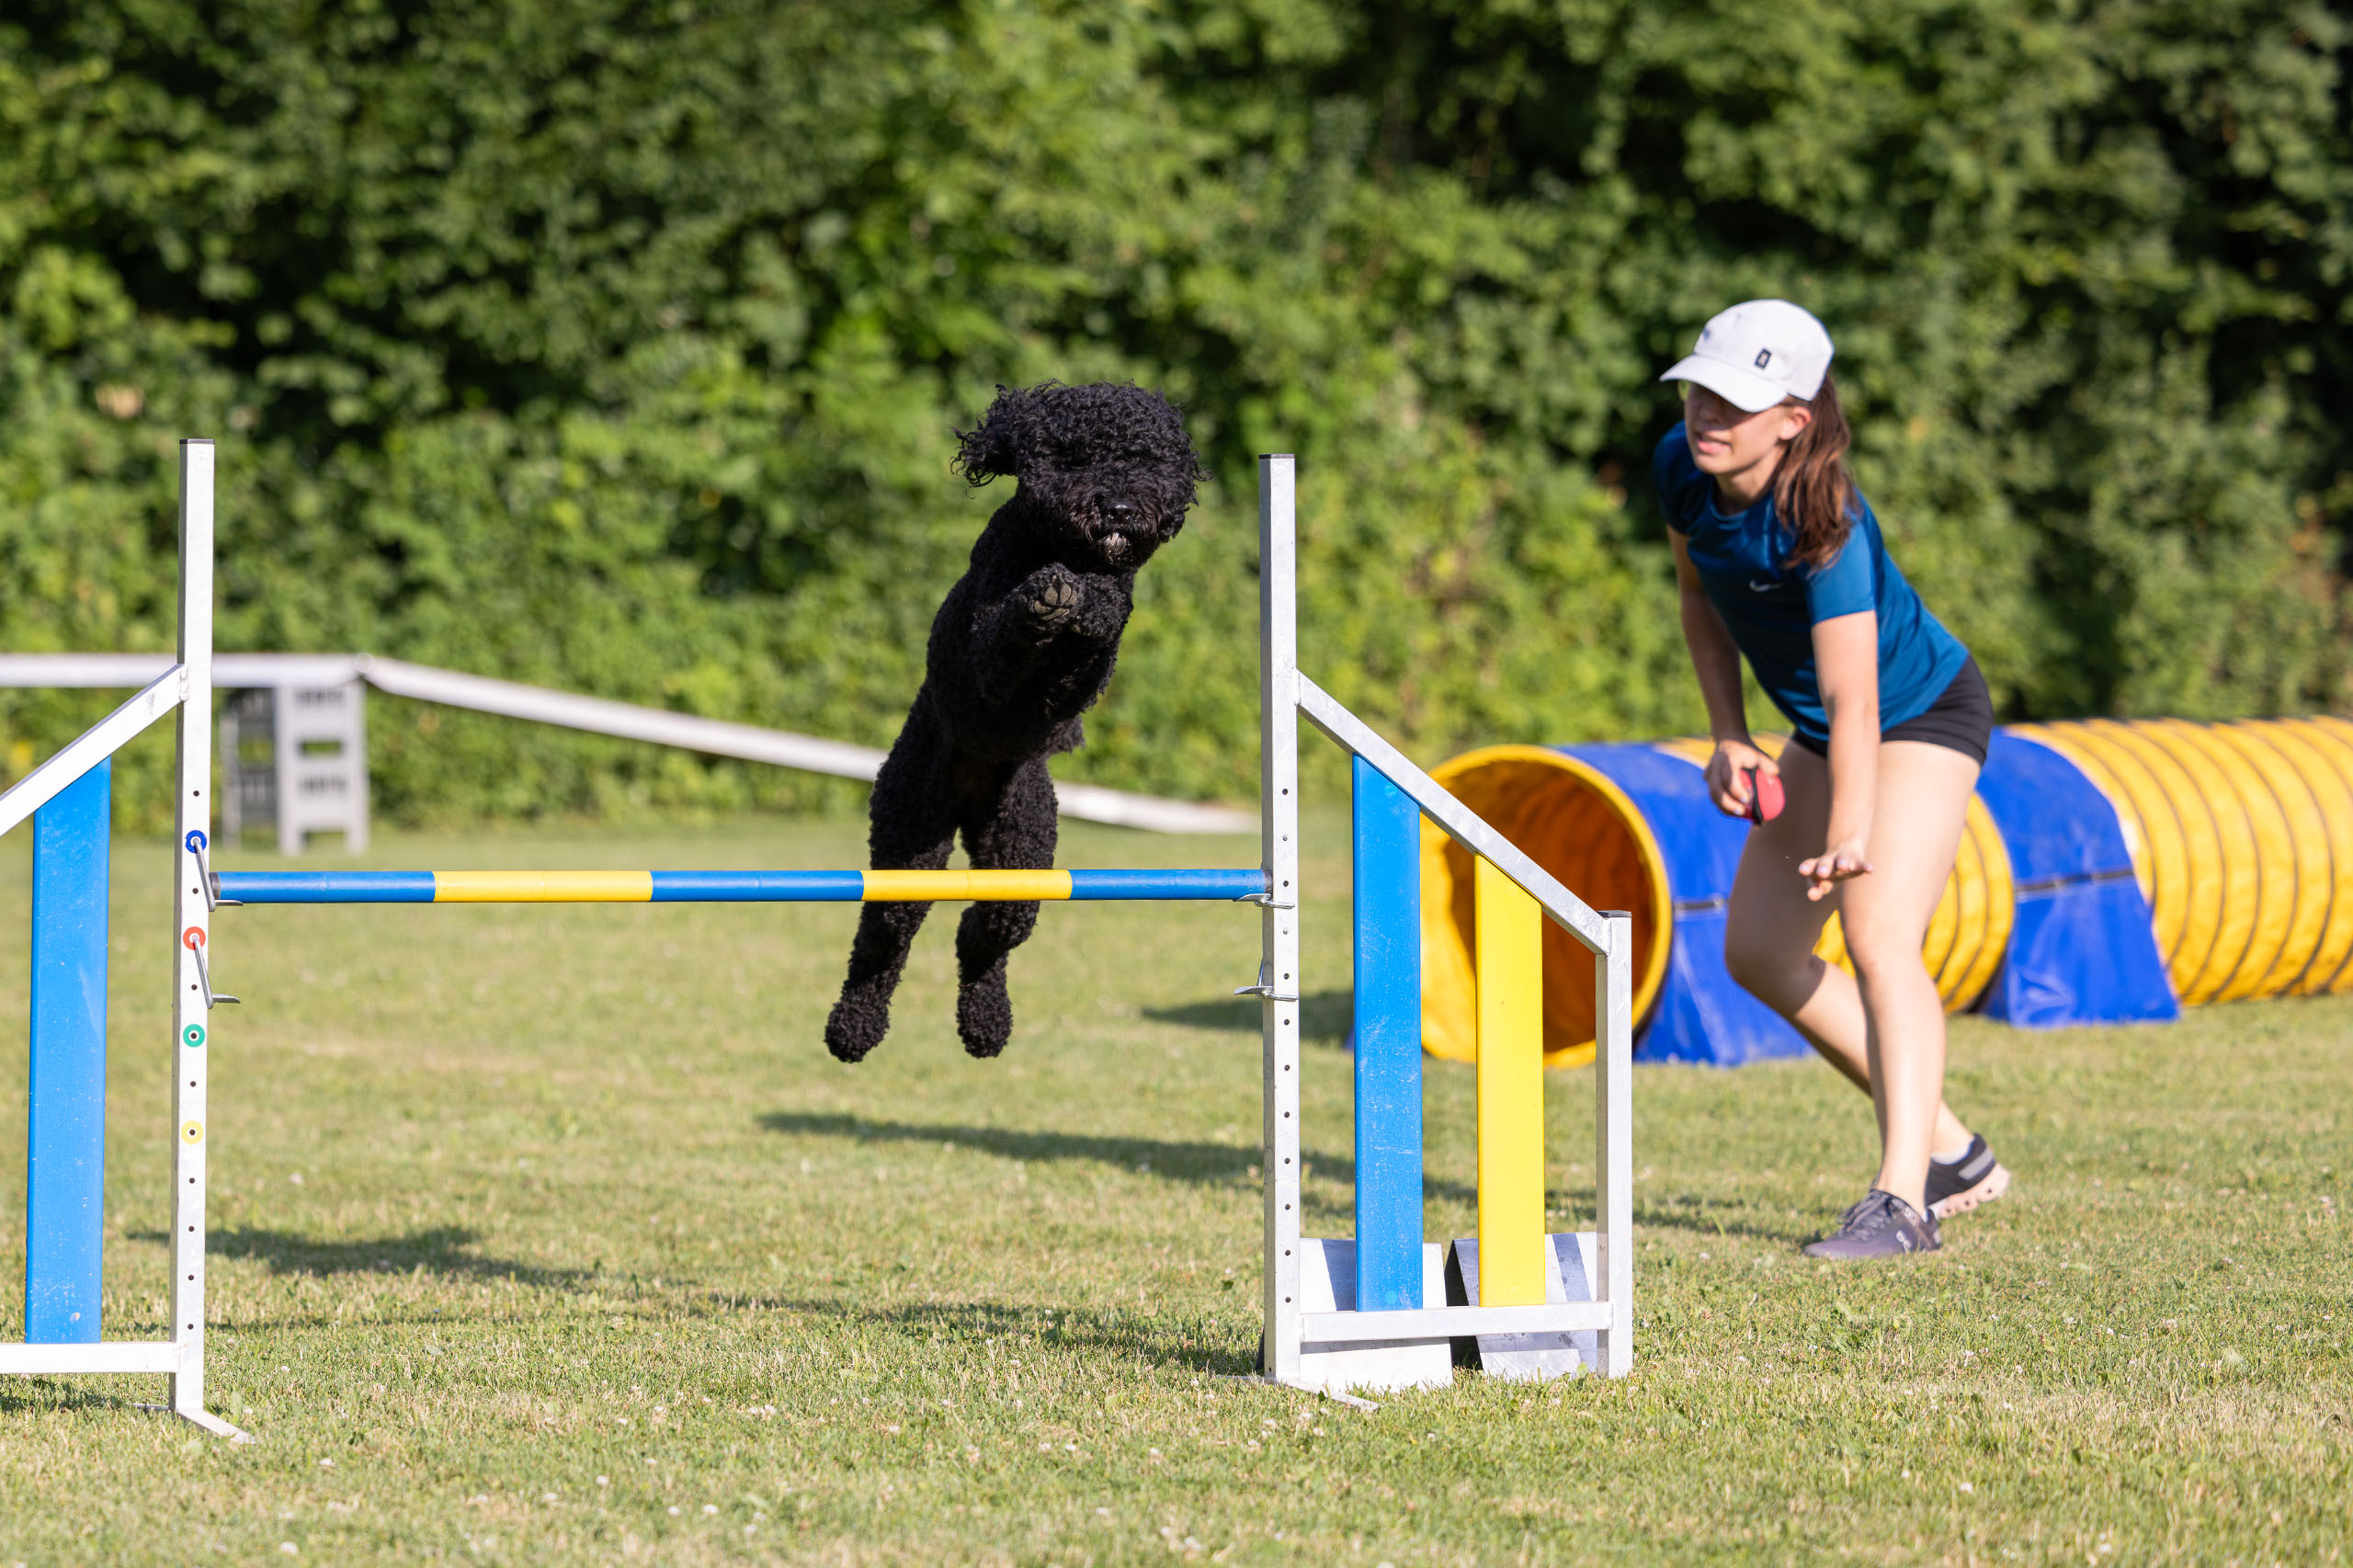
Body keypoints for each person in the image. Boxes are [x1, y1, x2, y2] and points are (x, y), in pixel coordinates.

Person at [1654, 300, 2010, 1259]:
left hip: (1922, 712)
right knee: (1759, 948)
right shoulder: (1679, 472)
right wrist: (1728, 734)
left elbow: (1859, 701)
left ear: (1794, 420)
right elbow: (1698, 598)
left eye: (1735, 400)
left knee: (1877, 934)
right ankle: (1951, 1149)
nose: (1706, 414)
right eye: (1699, 389)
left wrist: (1851, 827)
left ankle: (1903, 1203)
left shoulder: (1827, 521)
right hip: (1822, 725)